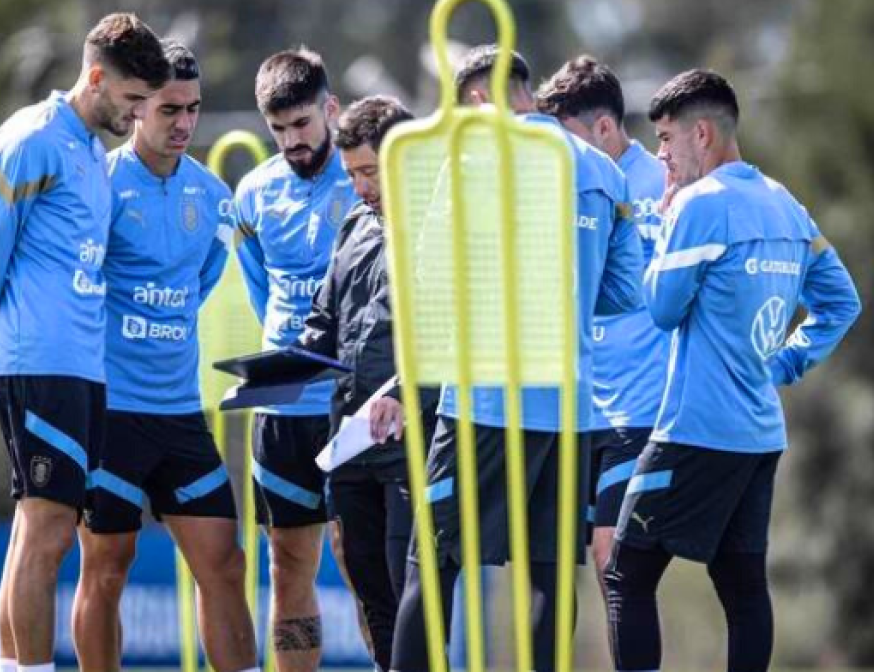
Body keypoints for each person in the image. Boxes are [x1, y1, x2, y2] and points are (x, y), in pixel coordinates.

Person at [390, 45, 643, 672]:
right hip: (570, 409)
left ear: (477, 101)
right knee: (550, 579)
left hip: (485, 399)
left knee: (433, 560)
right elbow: (623, 292)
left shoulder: (475, 156)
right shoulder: (604, 172)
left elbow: (429, 273)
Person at [604, 69, 862, 672]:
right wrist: (789, 361)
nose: (661, 156)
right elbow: (841, 302)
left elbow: (663, 310)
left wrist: (664, 225)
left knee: (626, 574)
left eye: (666, 139)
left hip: (693, 433)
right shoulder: (785, 204)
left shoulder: (697, 206)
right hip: (760, 436)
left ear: (702, 134)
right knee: (743, 587)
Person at [0, 13, 167, 672]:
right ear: (96, 76)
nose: (136, 117)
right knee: (46, 535)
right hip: (38, 362)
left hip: (79, 367)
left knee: (34, 534)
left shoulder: (91, 157)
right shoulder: (33, 138)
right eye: (131, 100)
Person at [69, 42, 259, 672]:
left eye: (193, 109)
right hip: (111, 413)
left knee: (224, 565)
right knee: (107, 567)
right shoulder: (100, 182)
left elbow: (204, 278)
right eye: (170, 108)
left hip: (180, 413)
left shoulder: (210, 197)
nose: (183, 123)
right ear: (138, 106)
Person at [292, 95, 435, 672]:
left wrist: (403, 392)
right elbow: (325, 320)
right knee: (367, 582)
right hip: (349, 440)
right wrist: (282, 365)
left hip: (413, 441)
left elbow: (446, 331)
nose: (361, 186)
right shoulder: (354, 222)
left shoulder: (436, 223)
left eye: (370, 172)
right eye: (351, 174)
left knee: (412, 591)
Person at [232, 47, 360, 672]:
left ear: (329, 109)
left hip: (353, 403)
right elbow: (262, 288)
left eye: (303, 124)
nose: (292, 140)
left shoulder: (366, 178)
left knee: (364, 564)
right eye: (278, 129)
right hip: (281, 405)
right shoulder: (252, 193)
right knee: (287, 564)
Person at [535, 55, 667, 591]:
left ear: (606, 127)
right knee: (551, 564)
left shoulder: (664, 183)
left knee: (614, 559)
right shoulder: (562, 185)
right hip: (569, 407)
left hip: (636, 408)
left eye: (570, 138)